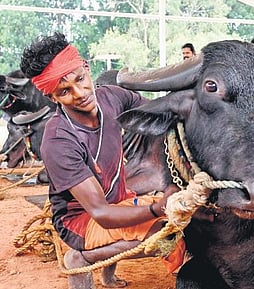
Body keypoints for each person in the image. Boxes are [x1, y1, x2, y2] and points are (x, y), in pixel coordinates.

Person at [20, 32, 185, 289]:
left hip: (117, 199)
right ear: (53, 98)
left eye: (80, 79)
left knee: (183, 217)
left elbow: (156, 112)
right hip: (80, 220)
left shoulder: (111, 97)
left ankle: (108, 278)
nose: (80, 93)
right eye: (64, 91)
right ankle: (81, 257)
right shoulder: (58, 141)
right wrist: (159, 207)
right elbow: (102, 214)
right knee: (161, 236)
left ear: (86, 66)